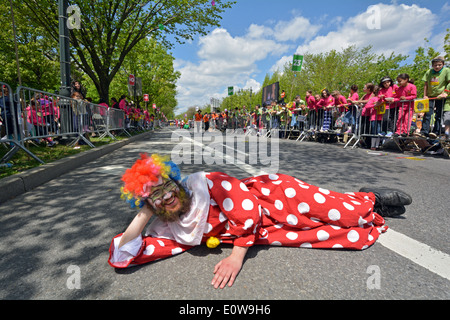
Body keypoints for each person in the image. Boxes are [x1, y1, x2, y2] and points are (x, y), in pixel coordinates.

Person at [108, 154, 412, 289]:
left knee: (347, 215)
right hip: (265, 229)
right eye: (156, 197)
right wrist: (146, 213)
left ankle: (369, 199)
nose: (167, 197)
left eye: (167, 186)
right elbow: (125, 253)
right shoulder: (168, 228)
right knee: (334, 233)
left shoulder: (205, 183)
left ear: (175, 180)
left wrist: (236, 257)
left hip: (273, 197)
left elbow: (246, 212)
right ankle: (360, 204)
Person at [420, 56, 450, 138]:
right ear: (432, 65)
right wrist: (425, 95)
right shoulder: (429, 72)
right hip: (430, 97)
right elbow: (425, 84)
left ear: (443, 64)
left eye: (439, 65)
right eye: (435, 65)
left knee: (438, 115)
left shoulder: (447, 71)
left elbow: (449, 82)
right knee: (427, 114)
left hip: (440, 97)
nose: (437, 67)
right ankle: (424, 132)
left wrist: (446, 93)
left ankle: (436, 131)